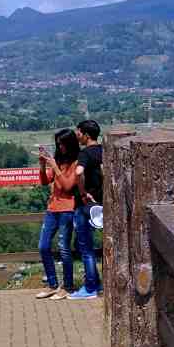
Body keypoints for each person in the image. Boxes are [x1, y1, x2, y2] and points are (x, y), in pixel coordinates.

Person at [36, 129, 80, 300]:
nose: (59, 147)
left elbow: (68, 186)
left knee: (64, 248)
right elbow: (44, 181)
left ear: (69, 144)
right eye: (58, 144)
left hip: (67, 209)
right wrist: (42, 165)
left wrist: (54, 166)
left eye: (62, 144)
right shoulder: (59, 162)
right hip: (52, 209)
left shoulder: (76, 163)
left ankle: (67, 286)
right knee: (43, 246)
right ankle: (52, 284)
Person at [66, 119, 103, 299]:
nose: (77, 136)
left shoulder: (85, 154)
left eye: (79, 133)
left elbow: (79, 172)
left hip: (86, 205)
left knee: (86, 248)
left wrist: (82, 193)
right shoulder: (104, 151)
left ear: (86, 135)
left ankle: (90, 288)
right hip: (102, 204)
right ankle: (96, 283)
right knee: (91, 245)